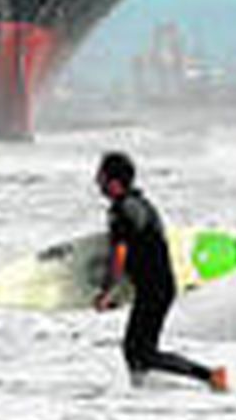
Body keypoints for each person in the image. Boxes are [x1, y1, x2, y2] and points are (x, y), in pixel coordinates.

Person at [93, 151, 229, 392]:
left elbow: (119, 255)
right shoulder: (142, 204)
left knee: (140, 352)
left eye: (100, 176)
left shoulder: (121, 211)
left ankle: (210, 376)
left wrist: (106, 292)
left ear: (113, 182)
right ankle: (143, 392)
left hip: (153, 289)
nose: (97, 182)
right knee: (136, 351)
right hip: (160, 286)